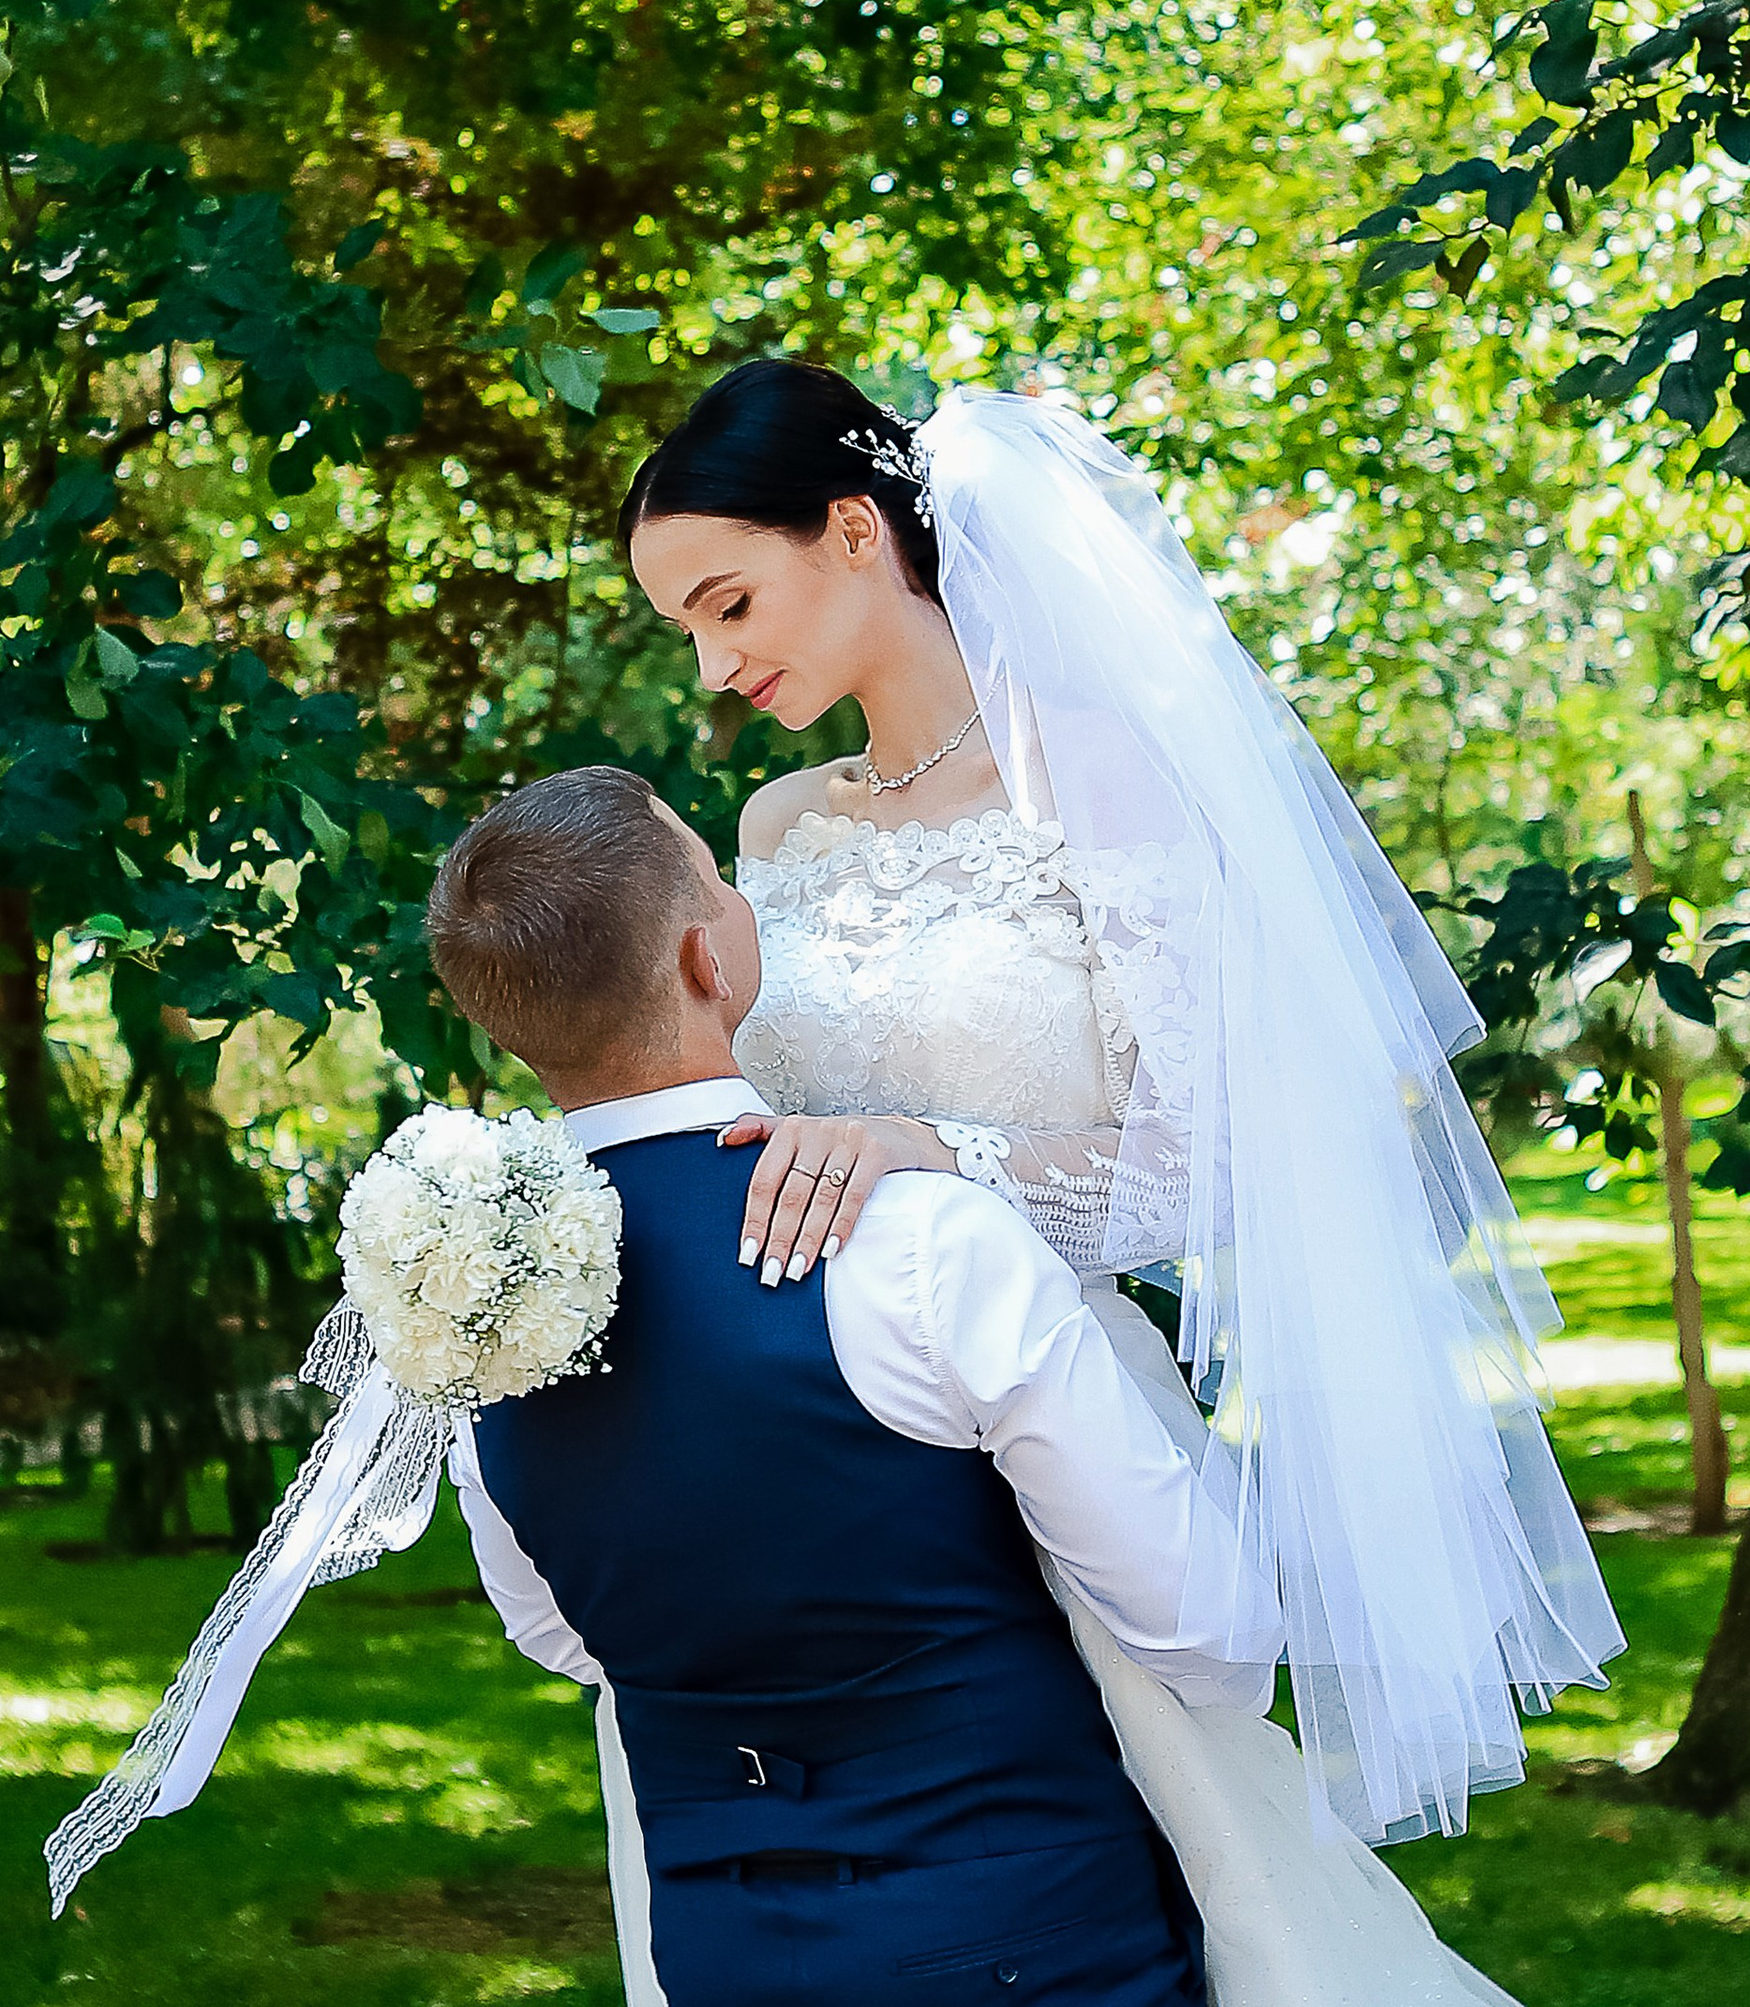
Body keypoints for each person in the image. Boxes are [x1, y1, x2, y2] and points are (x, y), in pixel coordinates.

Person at [611, 355, 1618, 1998]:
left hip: (1060, 1425)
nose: (719, 666)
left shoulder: (1105, 774)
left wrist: (931, 1155)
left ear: (856, 531)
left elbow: (1221, 1169)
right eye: (691, 633)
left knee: (1195, 1903)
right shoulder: (782, 823)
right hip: (813, 1442)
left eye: (731, 602)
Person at [430, 764, 1268, 2007]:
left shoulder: (469, 1311)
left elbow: (562, 1634)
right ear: (708, 961)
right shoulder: (925, 1248)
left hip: (721, 1952)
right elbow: (1211, 1633)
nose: (735, 878)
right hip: (1031, 1947)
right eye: (717, 874)